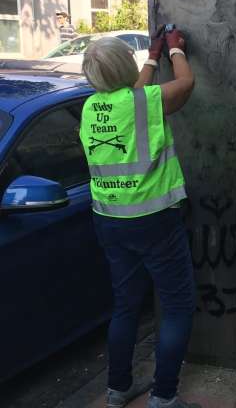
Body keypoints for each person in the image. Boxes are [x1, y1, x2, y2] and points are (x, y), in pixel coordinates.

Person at [79, 27, 200, 408]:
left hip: (109, 220)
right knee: (178, 305)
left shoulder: (91, 107)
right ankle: (164, 397)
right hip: (153, 220)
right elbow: (185, 85)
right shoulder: (143, 102)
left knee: (126, 304)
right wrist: (176, 51)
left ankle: (117, 390)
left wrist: (152, 57)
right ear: (123, 68)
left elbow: (133, 94)